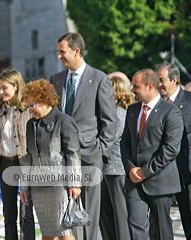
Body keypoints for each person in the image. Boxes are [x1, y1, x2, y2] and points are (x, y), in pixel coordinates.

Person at [50, 32, 117, 240]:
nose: (59, 56)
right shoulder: (57, 80)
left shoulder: (99, 78)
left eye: (62, 52)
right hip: (61, 157)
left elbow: (110, 121)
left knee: (89, 215)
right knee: (63, 213)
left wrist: (100, 153)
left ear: (76, 51)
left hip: (89, 156)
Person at [121, 69, 183, 240]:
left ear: (150, 87)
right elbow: (125, 143)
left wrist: (144, 171)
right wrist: (131, 168)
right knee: (136, 226)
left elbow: (171, 149)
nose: (132, 90)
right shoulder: (132, 110)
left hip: (160, 182)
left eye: (136, 86)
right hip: (134, 182)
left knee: (161, 231)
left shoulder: (170, 112)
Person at [155, 63, 191, 240]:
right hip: (160, 171)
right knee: (159, 220)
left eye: (162, 80)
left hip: (187, 169)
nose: (158, 85)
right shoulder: (155, 101)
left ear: (174, 80)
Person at [20, 78, 81, 240]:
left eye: (32, 106)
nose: (30, 111)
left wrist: (74, 184)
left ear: (45, 100)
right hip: (38, 188)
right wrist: (24, 186)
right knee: (47, 232)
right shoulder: (30, 125)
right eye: (28, 107)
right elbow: (29, 157)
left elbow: (73, 155)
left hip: (59, 186)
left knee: (64, 231)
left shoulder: (65, 121)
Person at [0, 69, 35, 240]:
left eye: (5, 88)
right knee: (9, 213)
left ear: (16, 87)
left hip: (25, 163)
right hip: (5, 164)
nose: (1, 92)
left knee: (26, 212)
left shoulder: (28, 107)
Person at [99, 76, 132, 240]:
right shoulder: (115, 112)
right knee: (107, 212)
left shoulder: (119, 113)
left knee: (120, 213)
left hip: (116, 168)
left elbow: (109, 138)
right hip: (109, 168)